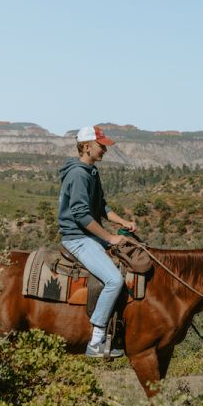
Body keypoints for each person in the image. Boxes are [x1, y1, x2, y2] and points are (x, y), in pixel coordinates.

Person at [58, 125, 136, 357]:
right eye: (101, 146)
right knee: (113, 280)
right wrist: (110, 237)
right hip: (78, 238)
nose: (105, 150)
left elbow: (101, 206)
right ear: (86, 146)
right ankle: (96, 341)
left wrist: (122, 222)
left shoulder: (91, 172)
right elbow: (82, 215)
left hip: (90, 235)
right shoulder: (79, 174)